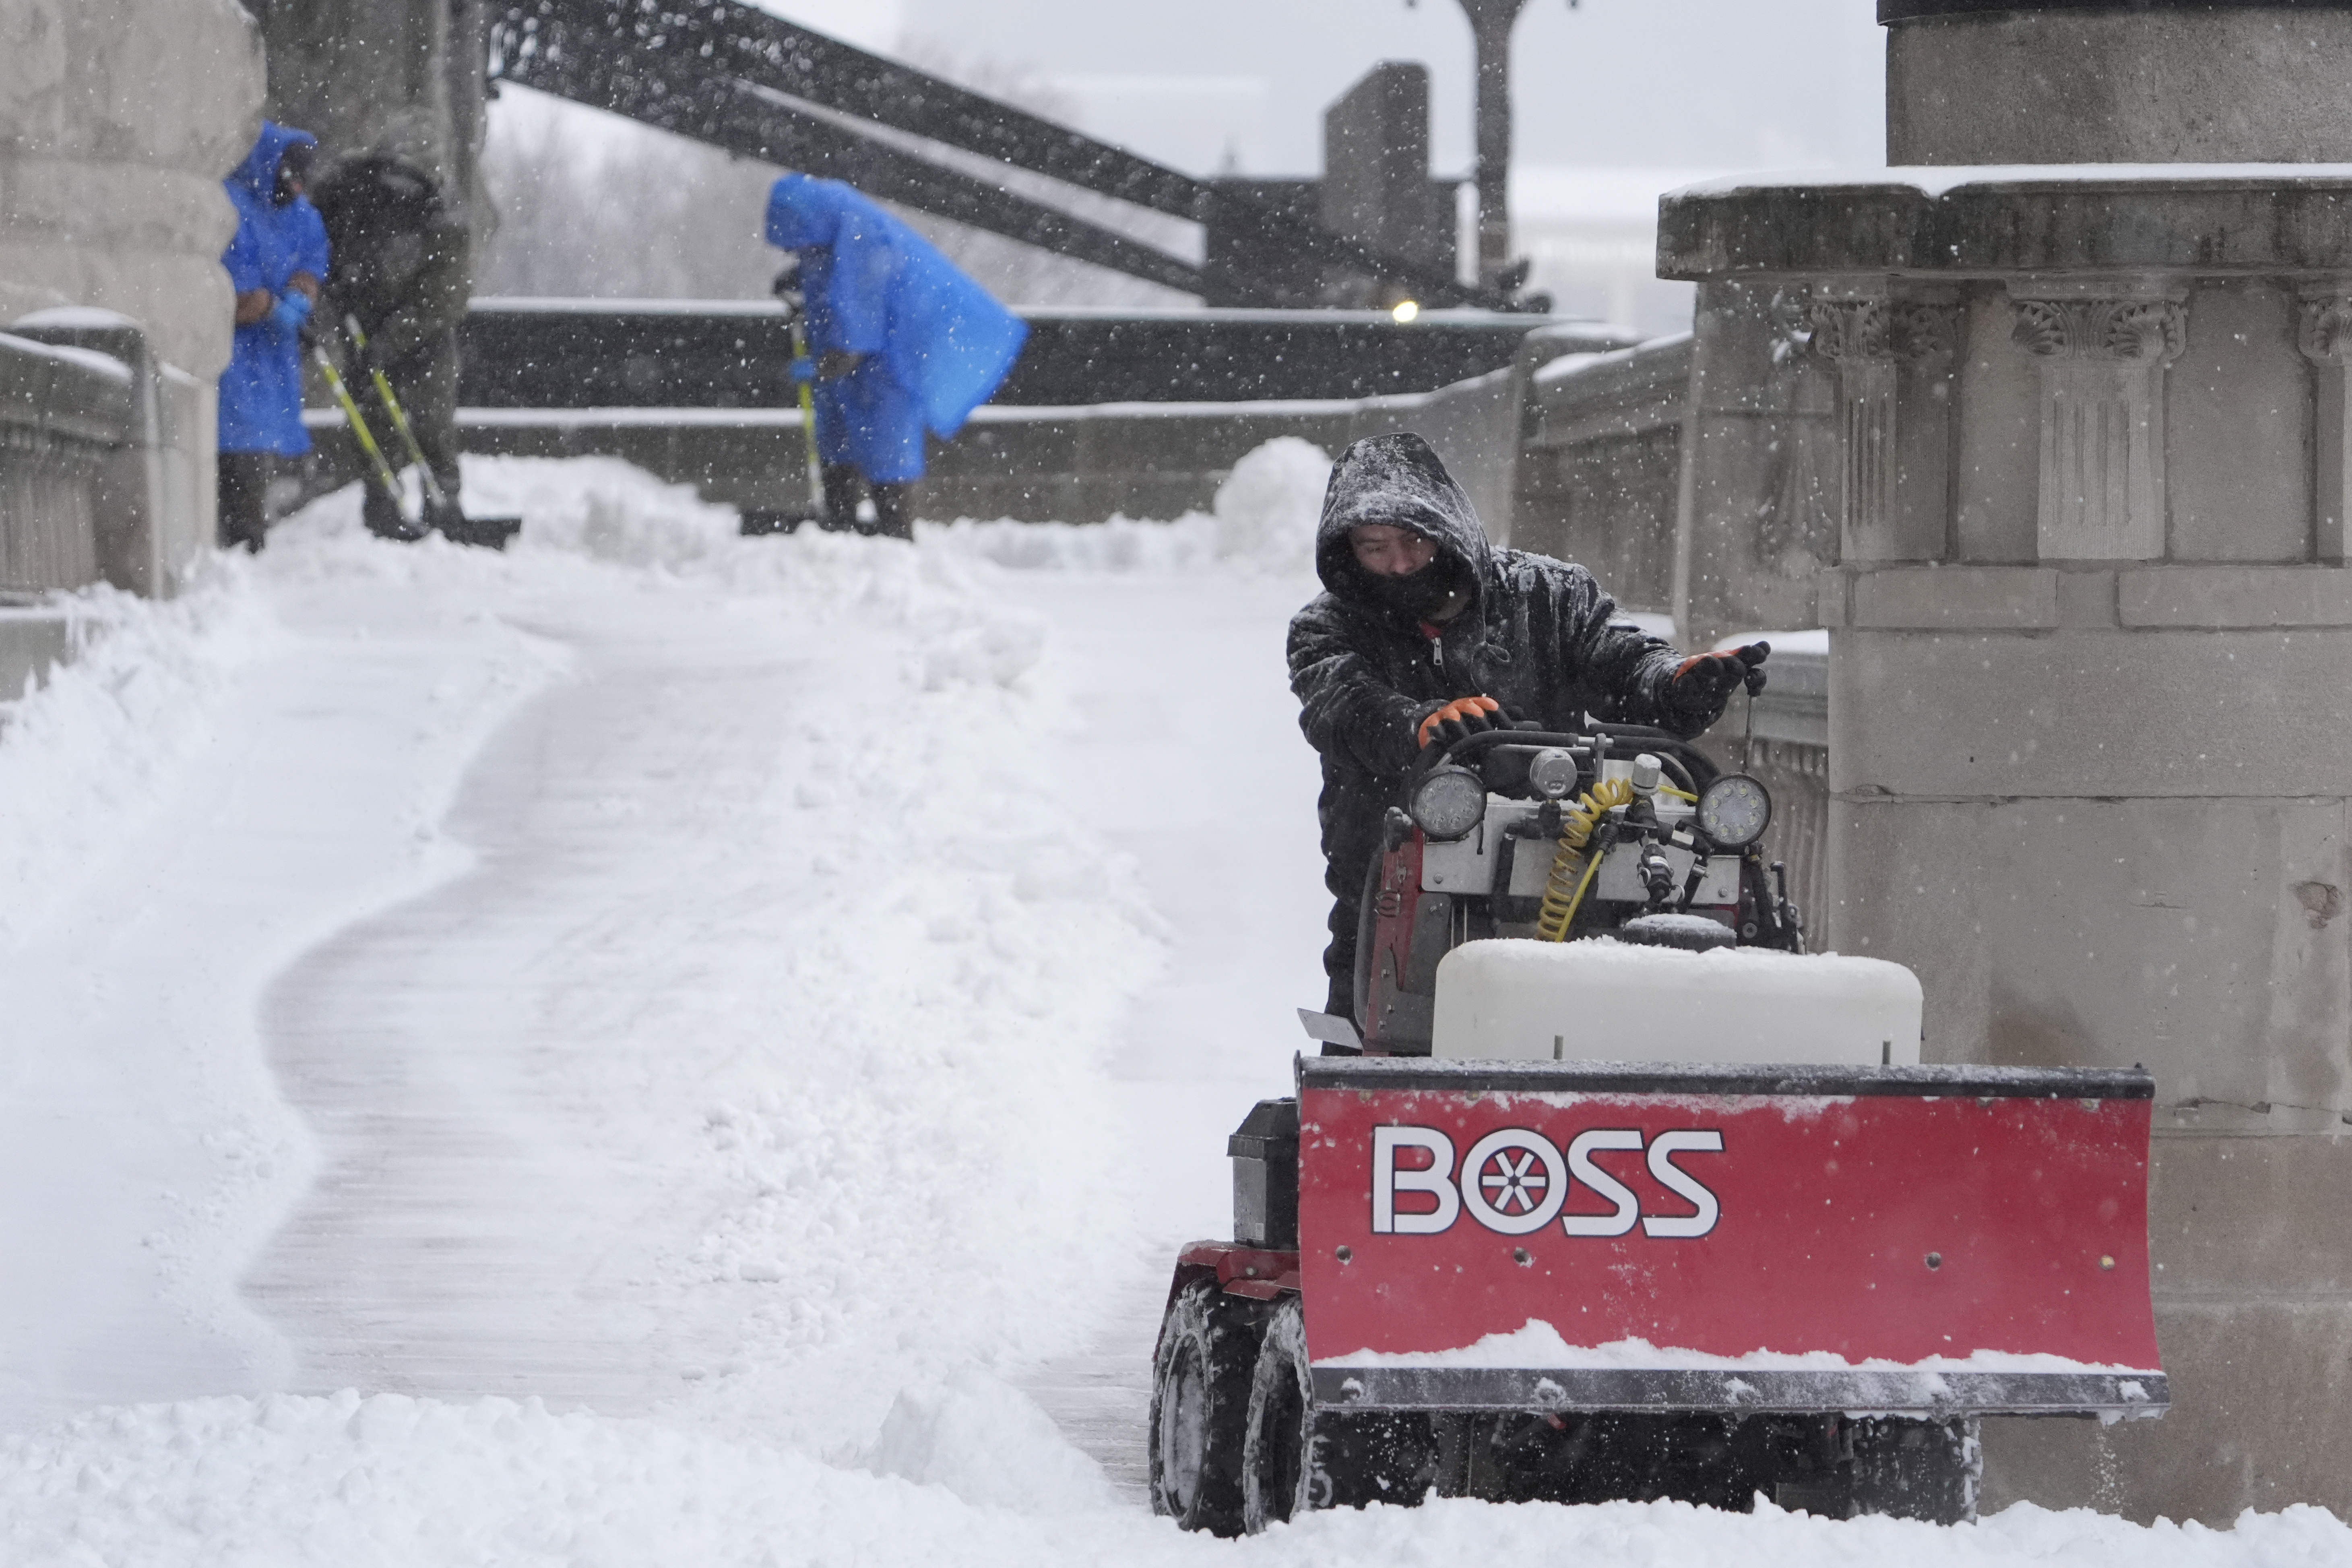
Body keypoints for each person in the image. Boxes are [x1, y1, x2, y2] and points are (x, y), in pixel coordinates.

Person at [1288, 432, 1770, 1018]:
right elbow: (1340, 704)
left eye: (1413, 541)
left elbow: (1623, 660)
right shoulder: (1324, 625)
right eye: (1374, 547)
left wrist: (1674, 684)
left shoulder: (1550, 594)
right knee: (1375, 1021)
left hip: (1559, 859)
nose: (1397, 563)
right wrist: (1418, 724)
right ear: (1348, 552)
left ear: (1448, 527)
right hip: (1388, 878)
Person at [762, 172, 1028, 539]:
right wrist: (798, 281)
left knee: (886, 452)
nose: (795, 253)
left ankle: (896, 537)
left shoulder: (862, 235)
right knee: (838, 445)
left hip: (886, 368)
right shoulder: (827, 227)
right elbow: (828, 278)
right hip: (857, 373)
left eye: (798, 245)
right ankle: (841, 527)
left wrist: (824, 365)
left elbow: (858, 318)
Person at [310, 149, 471, 541]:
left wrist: (388, 340)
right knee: (377, 419)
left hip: (415, 334)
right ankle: (387, 506)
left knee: (429, 420)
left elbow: (441, 299)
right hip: (368, 327)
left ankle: (440, 505)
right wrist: (337, 302)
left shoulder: (435, 220)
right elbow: (324, 263)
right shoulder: (356, 205)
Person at [217, 122, 330, 553]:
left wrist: (301, 295)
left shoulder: (302, 215)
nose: (297, 188)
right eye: (290, 177)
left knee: (259, 439)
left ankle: (248, 534)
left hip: (273, 354)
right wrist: (263, 304)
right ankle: (242, 538)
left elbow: (312, 259)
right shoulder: (233, 206)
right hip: (235, 353)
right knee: (237, 440)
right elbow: (233, 285)